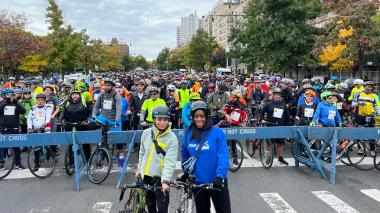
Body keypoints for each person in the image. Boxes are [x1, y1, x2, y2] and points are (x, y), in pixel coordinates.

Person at [180, 101, 231, 213]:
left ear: (206, 116)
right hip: (198, 184)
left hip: (217, 182)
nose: (199, 119)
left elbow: (223, 156)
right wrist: (186, 172)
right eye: (196, 116)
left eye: (202, 116)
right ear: (192, 118)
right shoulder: (188, 134)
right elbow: (185, 156)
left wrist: (219, 176)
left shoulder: (217, 133)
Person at [136, 105, 178, 213]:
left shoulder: (172, 138)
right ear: (154, 119)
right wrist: (139, 170)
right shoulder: (146, 133)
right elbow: (142, 154)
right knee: (150, 207)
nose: (162, 123)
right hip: (146, 177)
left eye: (165, 120)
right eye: (159, 119)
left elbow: (170, 162)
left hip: (161, 179)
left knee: (163, 209)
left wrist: (165, 181)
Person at [92, 78, 124, 166]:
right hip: (103, 117)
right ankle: (99, 150)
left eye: (108, 85)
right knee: (97, 132)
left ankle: (121, 157)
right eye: (105, 85)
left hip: (114, 119)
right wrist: (94, 116)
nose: (106, 87)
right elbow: (96, 106)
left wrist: (117, 121)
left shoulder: (116, 95)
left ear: (112, 87)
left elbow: (119, 109)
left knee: (118, 140)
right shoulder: (102, 95)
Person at [58, 90, 92, 167]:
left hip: (82, 124)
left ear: (79, 95)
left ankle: (87, 162)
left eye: (76, 94)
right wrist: (60, 120)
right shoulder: (67, 103)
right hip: (70, 124)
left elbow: (91, 112)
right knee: (71, 144)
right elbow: (63, 112)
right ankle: (71, 163)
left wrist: (88, 120)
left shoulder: (85, 102)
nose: (75, 96)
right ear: (71, 96)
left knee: (85, 144)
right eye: (73, 94)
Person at [260, 88, 290, 165]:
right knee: (270, 143)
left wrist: (287, 126)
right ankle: (269, 157)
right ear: (273, 95)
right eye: (276, 95)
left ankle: (280, 158)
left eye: (278, 95)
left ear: (280, 96)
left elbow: (287, 117)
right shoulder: (268, 104)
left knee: (280, 143)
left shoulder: (283, 105)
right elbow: (262, 112)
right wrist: (262, 119)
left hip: (280, 126)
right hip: (270, 125)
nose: (277, 96)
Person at [351, 81, 380, 156]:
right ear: (364, 86)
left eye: (371, 86)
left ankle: (372, 150)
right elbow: (352, 104)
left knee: (371, 133)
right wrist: (358, 103)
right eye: (368, 86)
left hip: (369, 116)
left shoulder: (373, 96)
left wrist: (379, 113)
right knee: (359, 133)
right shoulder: (358, 94)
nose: (370, 87)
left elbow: (376, 106)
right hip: (359, 116)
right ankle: (360, 148)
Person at [0, 89, 26, 170]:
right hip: (3, 129)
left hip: (14, 129)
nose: (10, 96)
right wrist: (5, 103)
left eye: (11, 94)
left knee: (16, 148)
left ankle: (18, 164)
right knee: (3, 148)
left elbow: (23, 111)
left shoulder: (16, 103)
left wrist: (16, 103)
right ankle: (1, 164)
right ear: (4, 95)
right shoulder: (1, 103)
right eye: (7, 94)